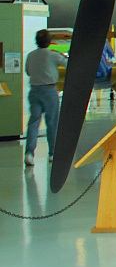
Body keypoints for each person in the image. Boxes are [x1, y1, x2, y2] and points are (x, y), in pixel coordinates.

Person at [24, 28, 67, 167]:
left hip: (34, 91)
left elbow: (29, 72)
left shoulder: (31, 55)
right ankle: (52, 153)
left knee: (34, 122)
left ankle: (29, 154)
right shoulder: (53, 55)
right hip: (49, 90)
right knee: (52, 122)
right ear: (49, 42)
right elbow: (67, 64)